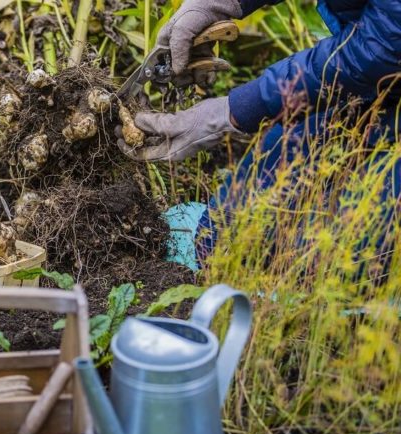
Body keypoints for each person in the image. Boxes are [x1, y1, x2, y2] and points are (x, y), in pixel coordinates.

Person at [118, 0, 401, 270]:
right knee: (223, 243)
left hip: (381, 63)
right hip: (372, 86)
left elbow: (384, 49)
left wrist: (234, 110)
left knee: (320, 267)